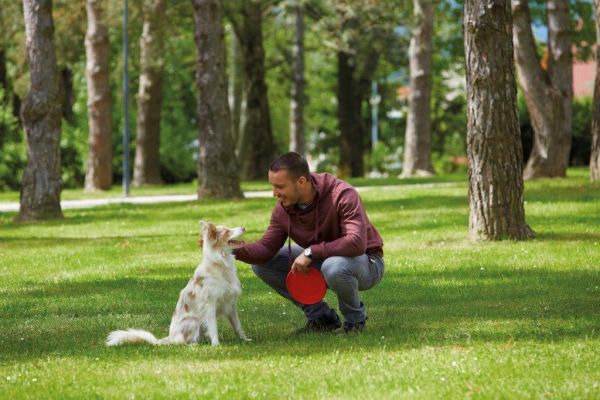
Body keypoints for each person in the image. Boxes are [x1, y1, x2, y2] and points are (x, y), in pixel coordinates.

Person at [233, 152, 384, 334]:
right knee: (262, 264)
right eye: (273, 186)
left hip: (366, 262)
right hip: (322, 259)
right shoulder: (283, 209)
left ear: (302, 182)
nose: (274, 193)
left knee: (333, 266)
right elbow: (265, 249)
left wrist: (310, 252)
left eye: (280, 186)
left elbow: (356, 242)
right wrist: (229, 247)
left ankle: (355, 322)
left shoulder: (342, 194)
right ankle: (322, 318)